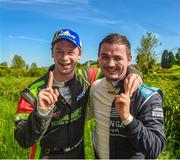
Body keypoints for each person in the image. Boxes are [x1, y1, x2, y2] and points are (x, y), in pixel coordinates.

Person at [14, 29, 142, 159]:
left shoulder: (88, 77)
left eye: (71, 52)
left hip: (78, 154)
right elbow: (23, 140)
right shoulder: (31, 93)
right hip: (46, 155)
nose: (65, 58)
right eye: (59, 51)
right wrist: (41, 112)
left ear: (79, 54)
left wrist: (132, 73)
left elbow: (113, 68)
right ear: (52, 53)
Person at [90, 33, 166, 159]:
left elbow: (155, 148)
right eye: (105, 57)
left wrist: (127, 119)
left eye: (118, 58)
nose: (111, 64)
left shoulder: (147, 97)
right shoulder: (95, 87)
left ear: (129, 59)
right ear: (98, 58)